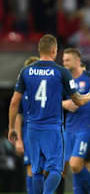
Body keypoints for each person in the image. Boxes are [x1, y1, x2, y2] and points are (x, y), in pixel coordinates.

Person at [8, 34, 90, 194]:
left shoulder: (25, 72)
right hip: (52, 127)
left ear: (39, 50)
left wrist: (11, 128)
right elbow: (78, 100)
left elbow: (14, 102)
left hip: (32, 128)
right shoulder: (61, 72)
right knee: (56, 169)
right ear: (54, 51)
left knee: (37, 170)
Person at [61, 48, 90, 194]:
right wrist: (64, 104)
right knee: (75, 169)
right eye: (63, 60)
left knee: (74, 164)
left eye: (67, 60)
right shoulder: (65, 81)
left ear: (77, 60)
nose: (64, 63)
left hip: (84, 129)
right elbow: (54, 102)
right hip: (69, 129)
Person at [14, 56, 39, 194]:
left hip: (47, 132)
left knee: (47, 169)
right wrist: (19, 140)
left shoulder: (49, 89)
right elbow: (18, 116)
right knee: (31, 168)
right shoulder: (22, 92)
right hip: (29, 133)